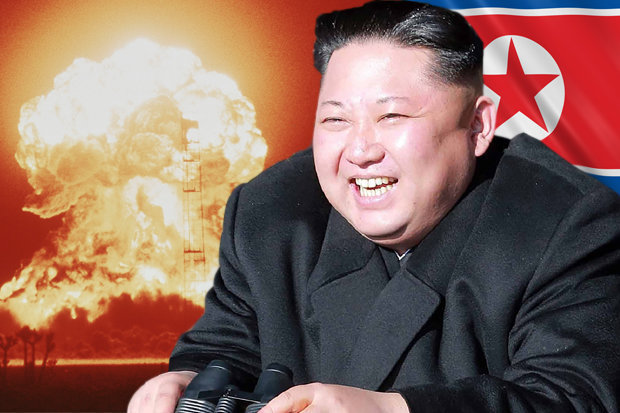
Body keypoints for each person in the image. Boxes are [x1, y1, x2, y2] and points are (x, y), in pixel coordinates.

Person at [128, 1, 620, 412]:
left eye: (392, 116)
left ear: (478, 126)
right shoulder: (269, 213)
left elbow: (574, 396)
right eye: (336, 120)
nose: (360, 151)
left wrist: (391, 410)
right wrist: (184, 383)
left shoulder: (570, 224)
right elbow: (229, 349)